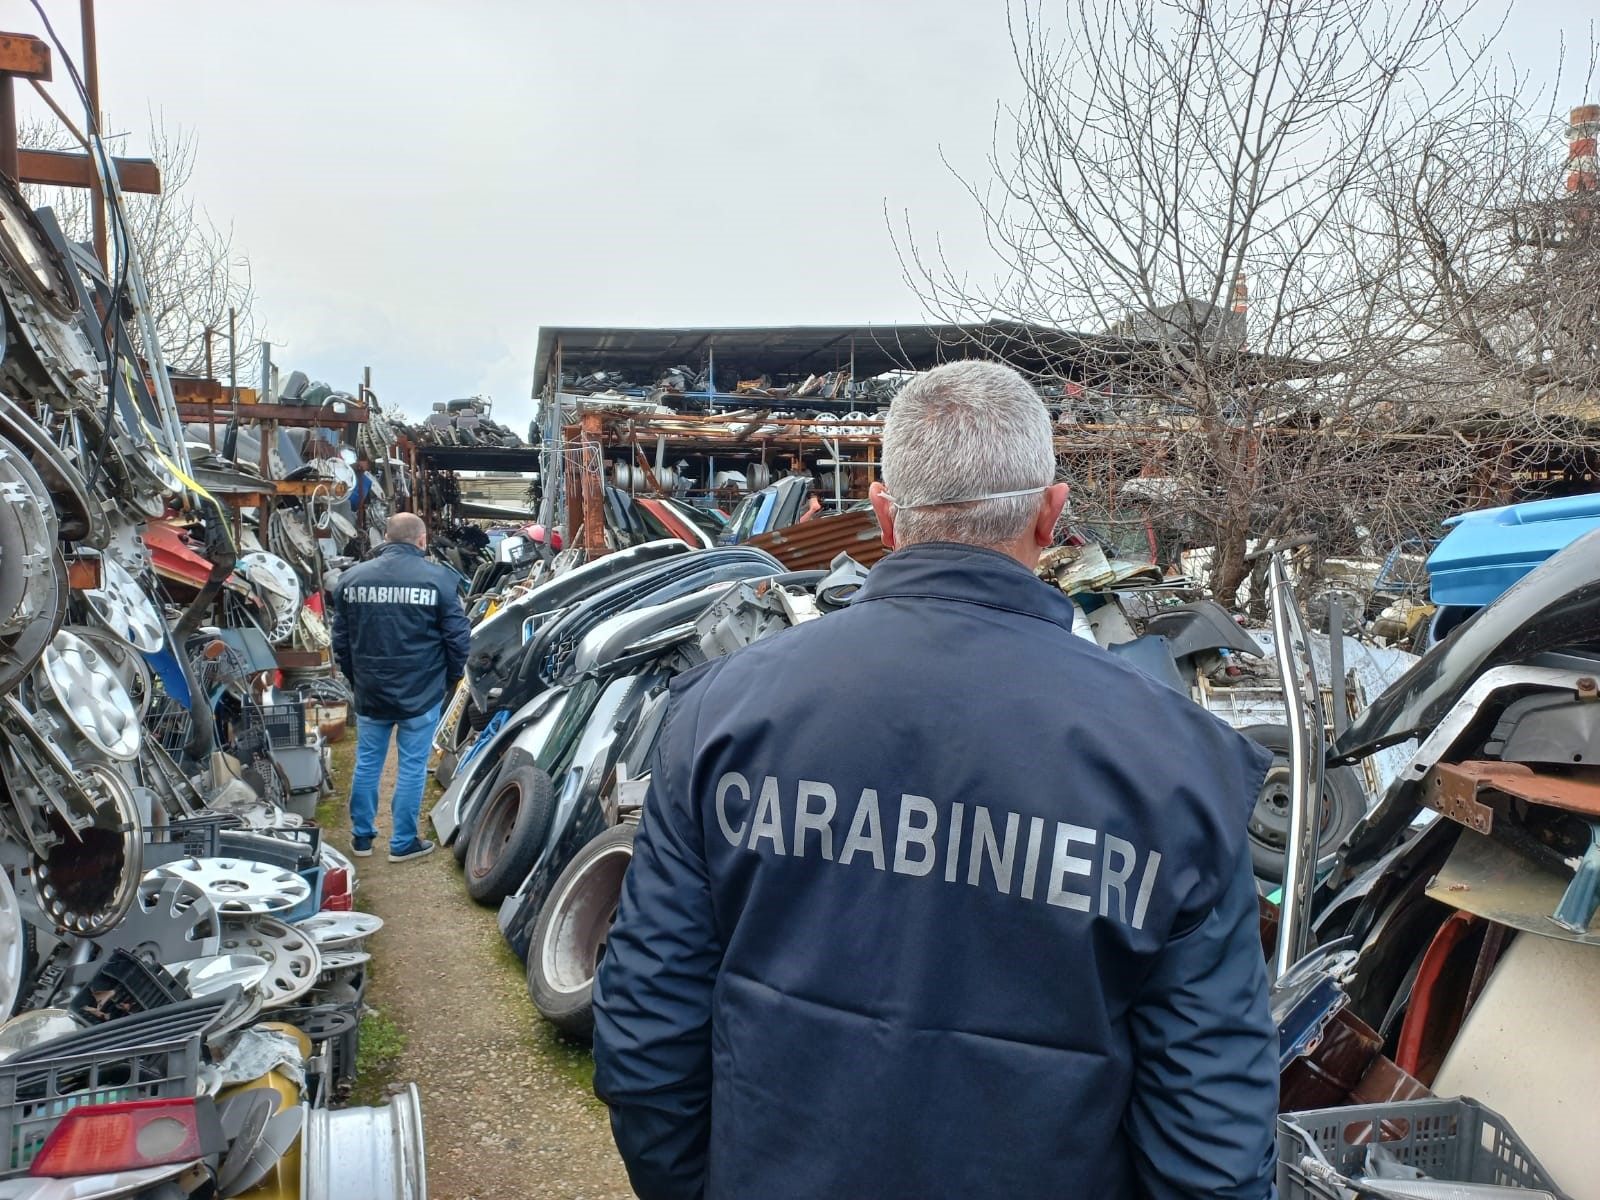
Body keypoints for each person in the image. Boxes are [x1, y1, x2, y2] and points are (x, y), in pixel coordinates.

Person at [591, 361, 1278, 1200]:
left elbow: (647, 1030)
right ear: (1052, 515)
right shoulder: (1181, 765)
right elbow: (1211, 1131)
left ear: (883, 515)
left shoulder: (721, 715)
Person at [331, 512, 471, 862]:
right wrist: (450, 678)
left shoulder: (351, 579)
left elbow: (341, 641)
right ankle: (403, 841)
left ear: (387, 539)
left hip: (371, 689)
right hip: (421, 691)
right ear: (422, 541)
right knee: (411, 765)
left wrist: (355, 677)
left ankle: (362, 838)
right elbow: (458, 640)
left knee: (367, 762)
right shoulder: (439, 579)